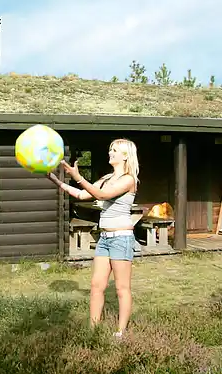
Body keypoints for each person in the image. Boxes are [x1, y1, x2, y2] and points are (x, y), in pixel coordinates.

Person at [47, 138, 139, 338]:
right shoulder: (106, 177)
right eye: (110, 149)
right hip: (105, 238)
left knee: (122, 288)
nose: (110, 153)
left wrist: (78, 176)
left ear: (125, 156)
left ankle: (121, 333)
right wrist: (56, 180)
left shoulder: (129, 179)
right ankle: (93, 330)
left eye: (114, 150)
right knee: (97, 285)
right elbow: (82, 195)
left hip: (121, 238)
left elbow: (102, 196)